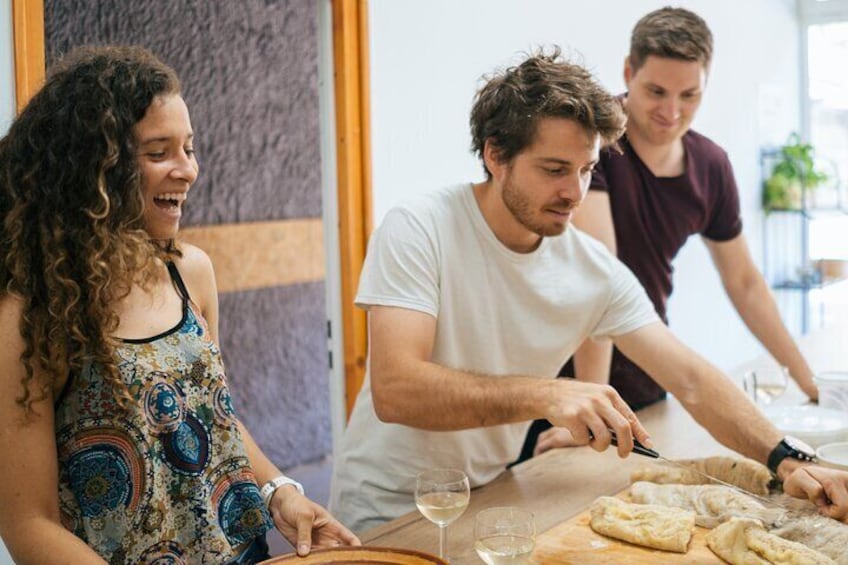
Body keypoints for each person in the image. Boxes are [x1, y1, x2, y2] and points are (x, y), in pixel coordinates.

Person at [327, 47, 848, 534]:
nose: (575, 192)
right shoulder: (419, 227)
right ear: (494, 155)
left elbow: (689, 379)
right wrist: (548, 393)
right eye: (554, 170)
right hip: (383, 512)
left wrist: (788, 458)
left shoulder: (589, 266)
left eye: (587, 169)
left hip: (485, 497)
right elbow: (398, 390)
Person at [0, 46, 359, 564]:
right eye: (158, 152)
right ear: (94, 168)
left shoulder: (189, 271)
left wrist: (281, 490)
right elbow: (27, 524)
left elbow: (213, 415)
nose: (187, 170)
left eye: (189, 148)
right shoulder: (33, 313)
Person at [520, 6, 819, 463]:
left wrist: (806, 380)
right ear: (628, 72)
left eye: (689, 95)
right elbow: (598, 280)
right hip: (565, 386)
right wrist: (589, 407)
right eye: (656, 91)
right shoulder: (592, 141)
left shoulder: (710, 167)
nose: (672, 112)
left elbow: (744, 282)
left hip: (645, 378)